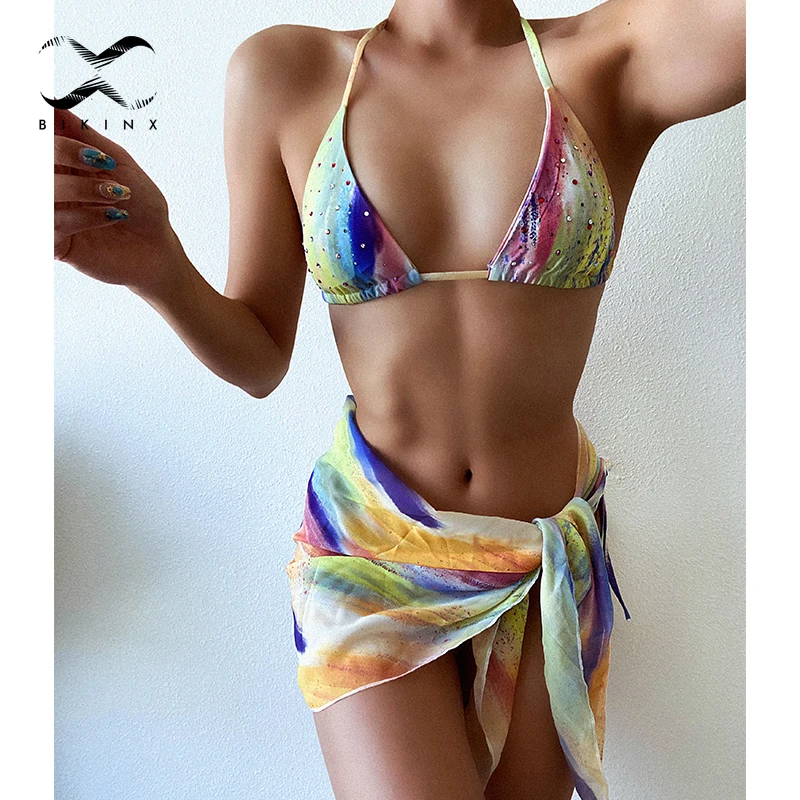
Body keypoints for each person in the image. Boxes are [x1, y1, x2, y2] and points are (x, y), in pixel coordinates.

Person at [53, 0, 745, 798]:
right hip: (372, 557)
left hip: (543, 559)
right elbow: (259, 357)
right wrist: (161, 267)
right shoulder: (285, 74)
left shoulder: (614, 57)